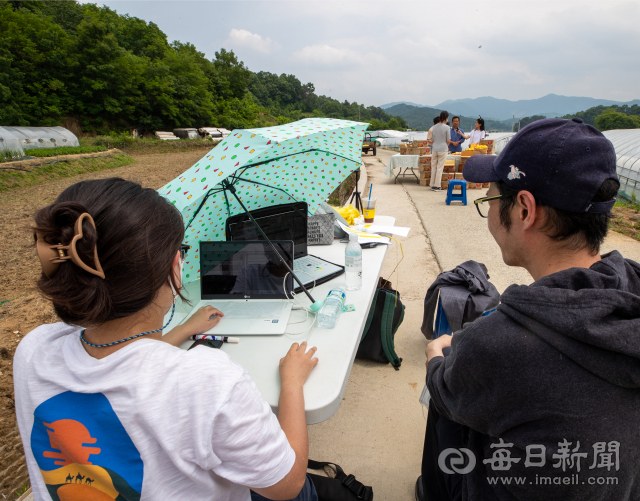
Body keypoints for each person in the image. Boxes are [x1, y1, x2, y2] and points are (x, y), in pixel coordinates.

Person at [14, 178, 319, 501]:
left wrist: (183, 330)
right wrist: (291, 384)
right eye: (181, 252)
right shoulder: (208, 381)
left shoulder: (34, 350)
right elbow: (288, 484)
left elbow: (124, 365)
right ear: (175, 269)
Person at [416, 117, 640, 501]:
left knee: (445, 394)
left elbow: (444, 390)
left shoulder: (497, 345)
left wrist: (437, 359)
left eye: (489, 200)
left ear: (523, 209)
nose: (488, 213)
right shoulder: (632, 283)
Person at [429, 111, 452, 192]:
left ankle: (432, 184)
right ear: (446, 118)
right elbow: (448, 140)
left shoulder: (434, 127)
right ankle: (437, 185)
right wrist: (447, 145)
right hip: (443, 148)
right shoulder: (447, 127)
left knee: (434, 167)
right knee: (440, 168)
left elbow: (433, 139)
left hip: (434, 148)